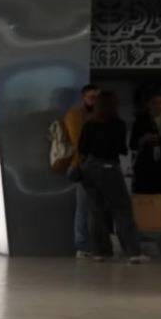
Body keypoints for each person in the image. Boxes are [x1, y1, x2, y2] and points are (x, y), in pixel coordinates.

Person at [81, 91, 148, 263]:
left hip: (90, 168)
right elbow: (121, 148)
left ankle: (100, 251)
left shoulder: (89, 124)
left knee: (96, 211)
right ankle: (133, 252)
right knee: (122, 209)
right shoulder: (118, 124)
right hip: (109, 167)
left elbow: (82, 148)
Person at [130, 88, 161, 221]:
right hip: (145, 166)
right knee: (145, 197)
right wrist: (143, 139)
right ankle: (146, 224)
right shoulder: (140, 121)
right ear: (149, 104)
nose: (159, 106)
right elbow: (132, 144)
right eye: (155, 102)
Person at [63, 84, 100, 258]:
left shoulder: (99, 115)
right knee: (84, 207)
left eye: (96, 98)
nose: (94, 101)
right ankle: (82, 245)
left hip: (95, 165)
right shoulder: (75, 115)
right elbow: (78, 141)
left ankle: (92, 244)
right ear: (83, 97)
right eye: (91, 97)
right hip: (83, 165)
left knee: (94, 207)